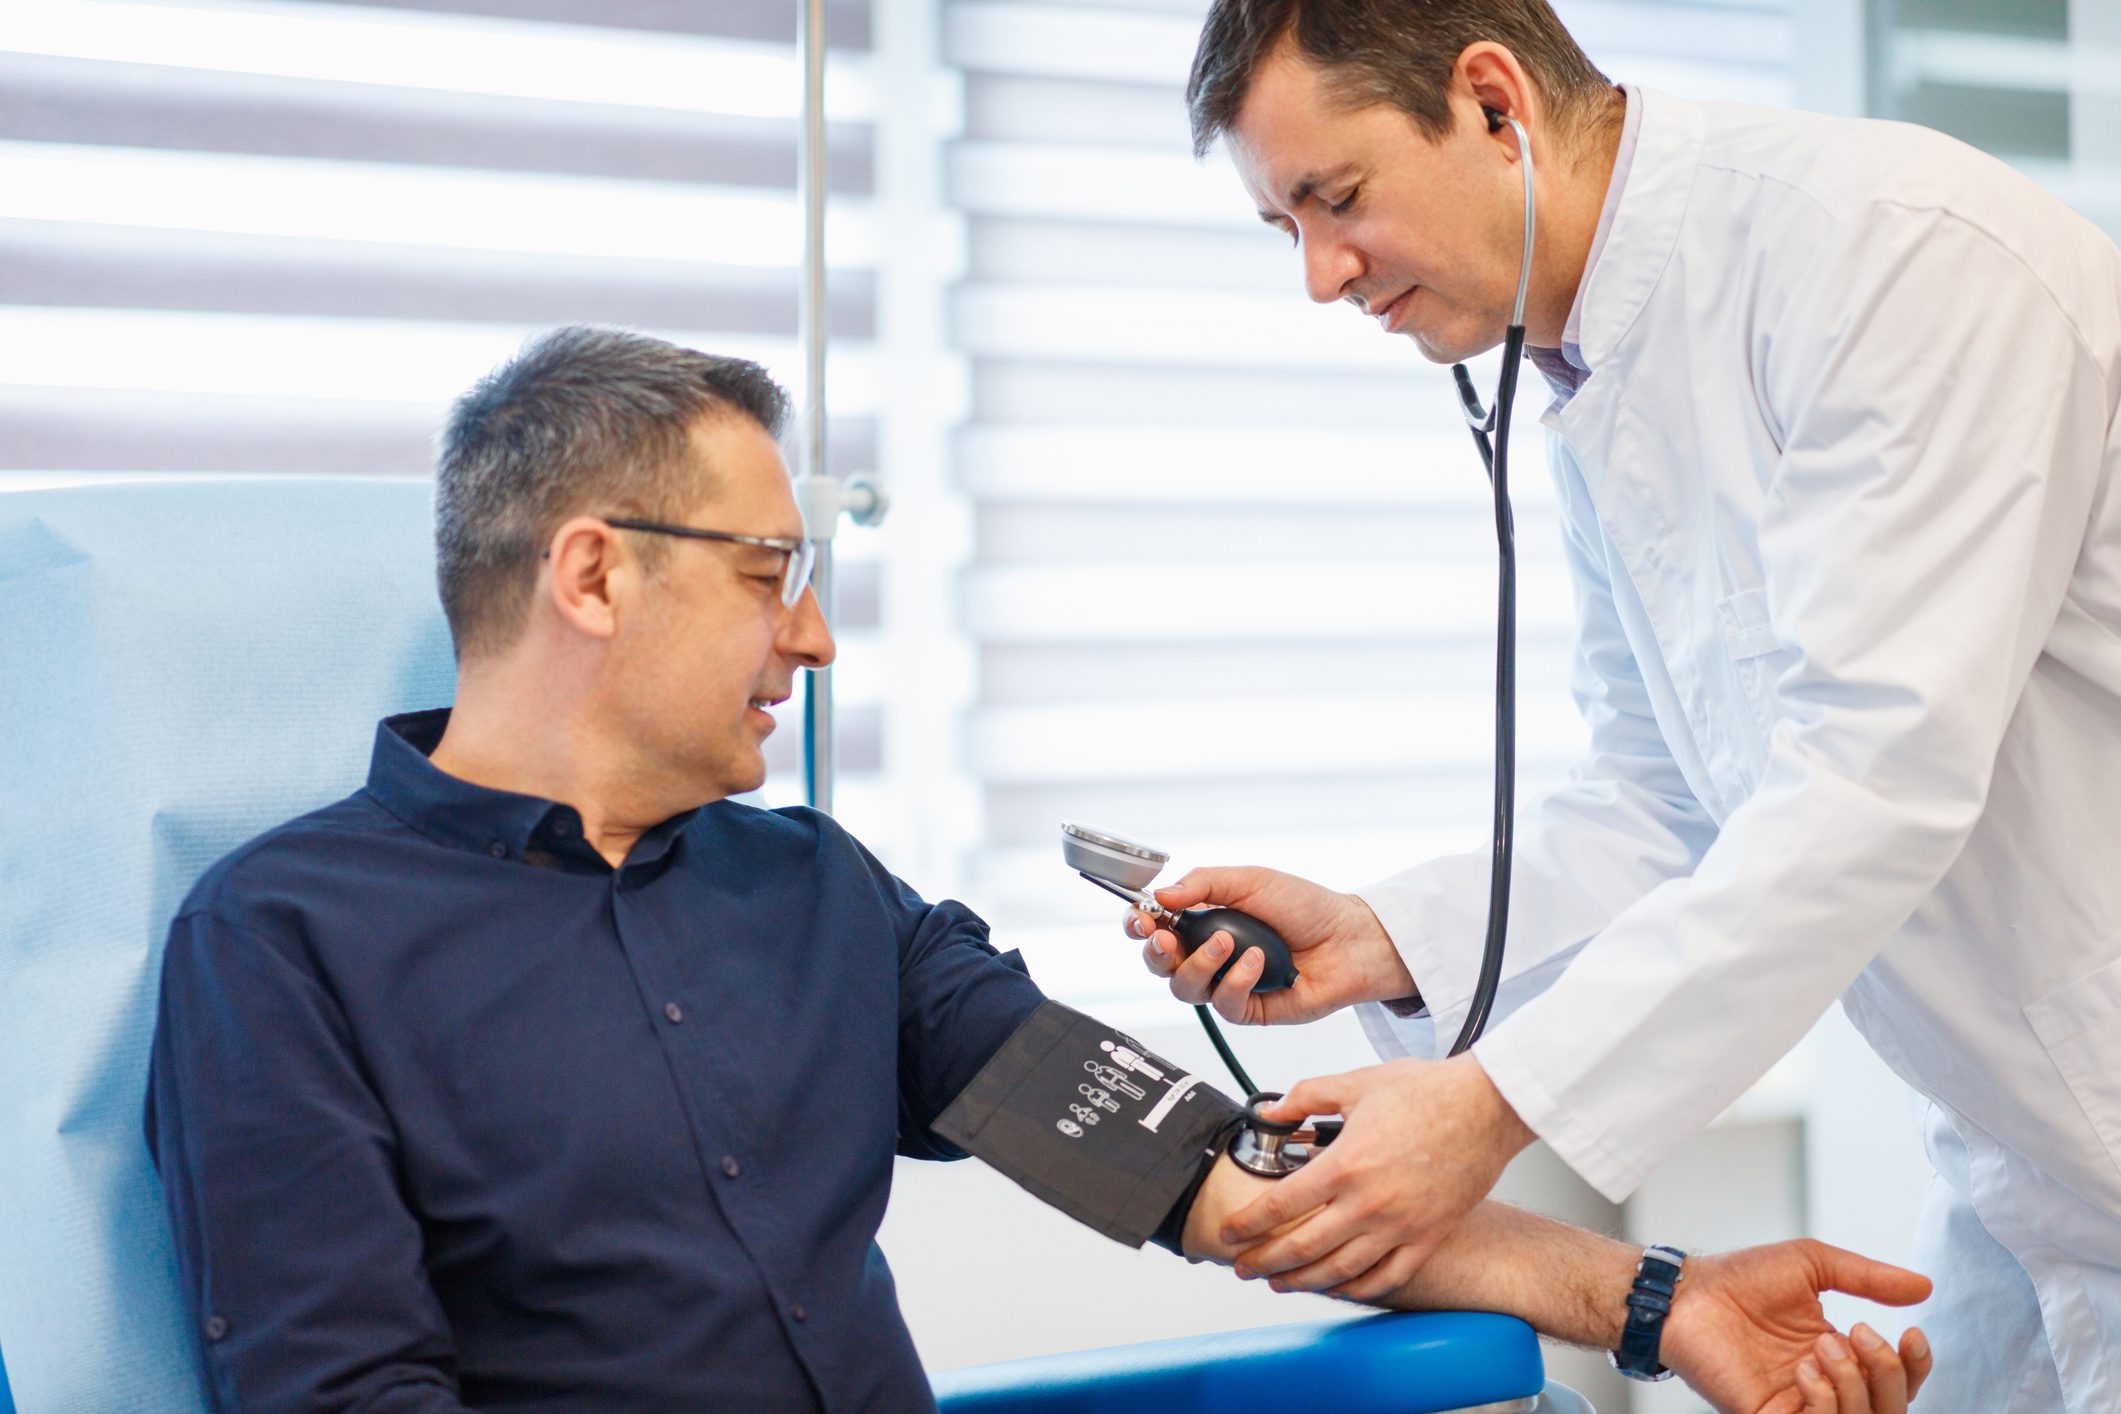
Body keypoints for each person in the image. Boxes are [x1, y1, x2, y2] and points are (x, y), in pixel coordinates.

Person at [147, 326, 1929, 1413]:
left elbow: (1222, 1176)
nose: (818, 636)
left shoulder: (817, 901)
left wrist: (1655, 1297)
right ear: (595, 574)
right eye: (771, 572)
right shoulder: (285, 948)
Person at [1131, 1, 2121, 1409]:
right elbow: (1668, 800)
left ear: (1490, 100)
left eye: (1334, 200)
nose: (1320, 274)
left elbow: (1869, 784)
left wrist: (1484, 1110)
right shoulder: (1596, 368)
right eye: (1282, 226)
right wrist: (1382, 937)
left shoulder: (1898, 256)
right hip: (2027, 1175)